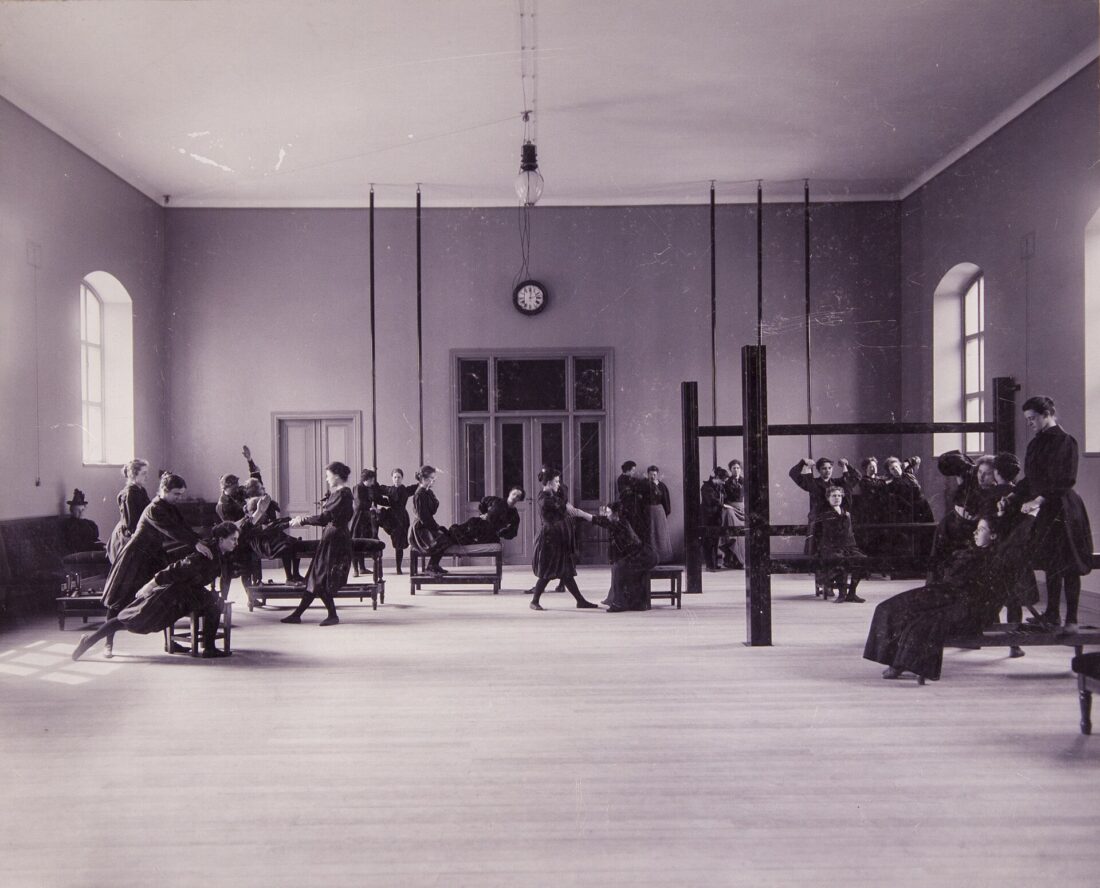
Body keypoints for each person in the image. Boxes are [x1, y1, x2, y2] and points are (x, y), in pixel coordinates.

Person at [863, 513, 1035, 683]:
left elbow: (981, 593)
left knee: (921, 621)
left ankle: (903, 664)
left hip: (965, 606)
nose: (975, 533)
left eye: (981, 529)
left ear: (994, 535)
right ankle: (892, 658)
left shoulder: (997, 559)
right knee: (888, 607)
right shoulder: (971, 551)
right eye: (976, 529)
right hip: (946, 593)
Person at [72, 522, 239, 661]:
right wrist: (151, 585)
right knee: (129, 619)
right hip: (173, 591)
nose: (236, 543)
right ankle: (88, 641)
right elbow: (176, 568)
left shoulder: (220, 553)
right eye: (233, 540)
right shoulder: (206, 554)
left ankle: (207, 648)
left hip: (188, 592)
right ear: (221, 539)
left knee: (214, 603)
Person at [100, 473, 212, 657]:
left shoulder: (170, 507)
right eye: (176, 493)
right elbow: (173, 531)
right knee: (117, 602)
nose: (179, 498)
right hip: (135, 558)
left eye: (181, 494)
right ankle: (108, 644)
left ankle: (170, 643)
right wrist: (196, 544)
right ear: (164, 491)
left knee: (164, 595)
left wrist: (201, 540)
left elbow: (184, 528)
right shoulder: (154, 509)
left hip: (153, 556)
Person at [1012, 396, 1093, 632]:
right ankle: (1052, 615)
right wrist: (1013, 495)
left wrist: (1039, 499)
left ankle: (1072, 620)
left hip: (1064, 508)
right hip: (1046, 511)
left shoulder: (1065, 441)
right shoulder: (1036, 443)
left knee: (1069, 564)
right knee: (1052, 563)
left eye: (1033, 418)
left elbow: (1066, 478)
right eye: (1027, 420)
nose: (1030, 423)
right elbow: (1031, 479)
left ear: (1048, 413)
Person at [281, 461, 354, 626]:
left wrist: (303, 520)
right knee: (315, 577)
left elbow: (324, 519)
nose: (327, 480)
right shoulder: (341, 494)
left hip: (335, 540)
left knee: (320, 577)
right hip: (332, 537)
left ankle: (328, 615)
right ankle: (299, 614)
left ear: (336, 475)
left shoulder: (342, 494)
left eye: (328, 476)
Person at [528, 468, 599, 610]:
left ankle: (580, 601)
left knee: (565, 571)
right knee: (548, 571)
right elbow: (561, 505)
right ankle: (534, 601)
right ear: (548, 482)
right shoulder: (544, 498)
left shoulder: (553, 494)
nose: (559, 484)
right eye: (556, 481)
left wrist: (564, 501)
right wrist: (565, 504)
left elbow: (563, 496)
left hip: (559, 536)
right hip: (550, 538)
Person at [423, 488, 525, 575]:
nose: (514, 497)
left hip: (488, 534)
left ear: (519, 499)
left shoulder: (514, 515)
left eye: (518, 496)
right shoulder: (496, 501)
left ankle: (432, 563)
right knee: (454, 531)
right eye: (514, 494)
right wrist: (484, 513)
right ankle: (433, 562)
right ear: (510, 493)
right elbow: (483, 501)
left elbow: (512, 533)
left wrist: (500, 532)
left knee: (453, 535)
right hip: (477, 524)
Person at [587, 501, 659, 611]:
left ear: (616, 514)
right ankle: (630, 602)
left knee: (620, 568)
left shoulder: (619, 524)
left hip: (645, 555)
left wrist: (580, 513)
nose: (606, 515)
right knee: (619, 566)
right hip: (640, 554)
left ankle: (620, 603)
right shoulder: (618, 522)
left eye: (608, 513)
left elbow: (600, 521)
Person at [241, 477, 305, 584]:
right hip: (262, 540)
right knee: (287, 546)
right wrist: (286, 523)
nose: (264, 488)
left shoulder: (265, 502)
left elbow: (272, 524)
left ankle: (295, 574)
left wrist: (286, 521)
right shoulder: (254, 504)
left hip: (269, 535)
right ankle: (289, 577)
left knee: (295, 542)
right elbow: (265, 527)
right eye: (261, 488)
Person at [812, 485, 868, 602]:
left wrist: (851, 547)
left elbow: (849, 534)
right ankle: (842, 593)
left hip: (847, 547)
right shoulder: (824, 514)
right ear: (828, 498)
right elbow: (820, 534)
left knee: (862, 559)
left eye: (839, 496)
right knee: (839, 559)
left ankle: (852, 593)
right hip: (830, 547)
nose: (837, 498)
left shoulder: (846, 514)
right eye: (833, 496)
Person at [107, 458, 151, 564]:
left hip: (139, 529)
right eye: (144, 473)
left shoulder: (141, 490)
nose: (147, 476)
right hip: (127, 535)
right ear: (134, 475)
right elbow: (130, 523)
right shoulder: (129, 493)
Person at [376, 468, 416, 574]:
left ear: (402, 478)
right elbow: (377, 487)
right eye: (395, 477)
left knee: (399, 544)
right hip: (391, 518)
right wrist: (373, 472)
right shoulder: (389, 489)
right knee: (377, 518)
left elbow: (417, 486)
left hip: (402, 519)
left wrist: (420, 477)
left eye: (399, 477)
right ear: (392, 478)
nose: (397, 479)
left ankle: (398, 567)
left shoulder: (406, 490)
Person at [409, 466, 444, 564]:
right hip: (421, 528)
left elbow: (432, 510)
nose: (434, 481)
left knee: (445, 536)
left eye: (434, 478)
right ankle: (432, 566)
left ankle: (434, 565)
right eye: (431, 478)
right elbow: (424, 517)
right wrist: (436, 528)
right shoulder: (420, 494)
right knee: (442, 539)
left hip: (427, 524)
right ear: (424, 479)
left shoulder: (427, 491)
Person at [350, 468, 382, 577]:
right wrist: (372, 507)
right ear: (366, 479)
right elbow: (359, 504)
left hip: (366, 519)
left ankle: (362, 568)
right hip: (358, 519)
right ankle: (355, 569)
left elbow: (375, 494)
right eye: (371, 480)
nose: (373, 482)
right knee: (355, 542)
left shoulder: (369, 487)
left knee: (363, 542)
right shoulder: (358, 487)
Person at [61, 489, 105, 555]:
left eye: (82, 510)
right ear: (72, 510)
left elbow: (95, 538)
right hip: (80, 551)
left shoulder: (90, 523)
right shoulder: (68, 524)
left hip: (91, 549)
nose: (81, 512)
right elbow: (74, 544)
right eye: (78, 510)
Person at [644, 465, 673, 563]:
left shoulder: (662, 486)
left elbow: (666, 500)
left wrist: (665, 513)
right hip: (648, 511)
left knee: (660, 534)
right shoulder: (643, 485)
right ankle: (651, 558)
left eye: (654, 474)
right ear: (647, 474)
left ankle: (663, 558)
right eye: (651, 474)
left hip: (659, 512)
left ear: (657, 475)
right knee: (650, 533)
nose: (652, 476)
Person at [616, 460, 650, 542]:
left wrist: (645, 480)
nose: (634, 472)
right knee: (630, 529)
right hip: (628, 508)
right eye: (633, 470)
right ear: (627, 470)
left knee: (639, 528)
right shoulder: (621, 479)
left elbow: (642, 486)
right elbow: (626, 492)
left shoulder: (632, 479)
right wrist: (636, 490)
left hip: (636, 507)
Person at [722, 459, 746, 569]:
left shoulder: (745, 481)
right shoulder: (726, 483)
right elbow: (723, 498)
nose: (736, 470)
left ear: (740, 469)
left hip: (742, 509)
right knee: (732, 533)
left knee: (741, 537)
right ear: (730, 470)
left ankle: (741, 561)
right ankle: (730, 560)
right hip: (730, 508)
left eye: (738, 468)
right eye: (734, 468)